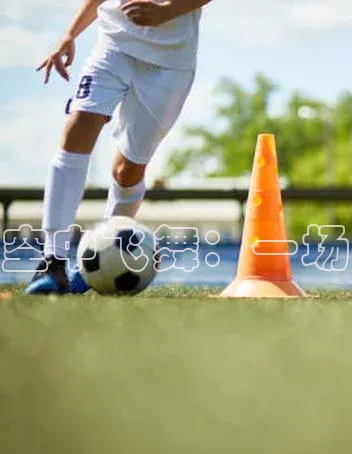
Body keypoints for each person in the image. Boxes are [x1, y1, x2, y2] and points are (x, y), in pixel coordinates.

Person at [26, 0, 212, 295]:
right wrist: (70, 34)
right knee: (78, 126)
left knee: (127, 171)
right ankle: (53, 261)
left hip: (171, 63)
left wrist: (166, 11)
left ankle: (95, 266)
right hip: (114, 45)